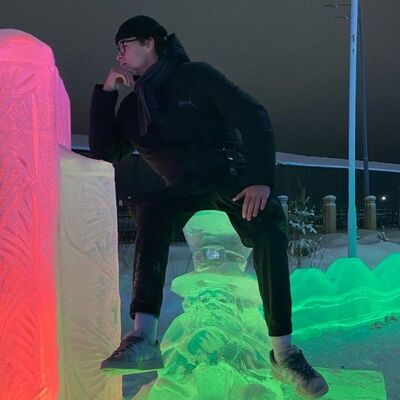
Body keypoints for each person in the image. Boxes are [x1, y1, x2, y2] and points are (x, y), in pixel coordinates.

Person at [89, 15, 329, 398]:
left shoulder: (194, 77)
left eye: (124, 46)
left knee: (268, 222)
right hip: (180, 190)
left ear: (149, 43)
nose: (119, 55)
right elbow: (105, 153)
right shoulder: (134, 108)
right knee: (151, 208)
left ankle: (284, 353)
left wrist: (260, 178)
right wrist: (106, 94)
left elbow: (253, 115)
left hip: (225, 176)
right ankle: (143, 336)